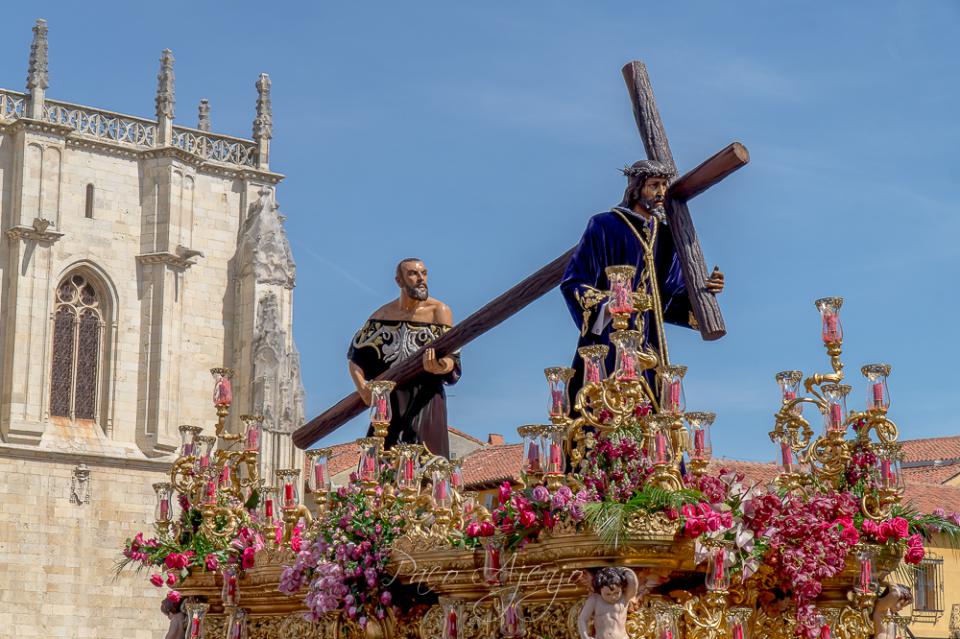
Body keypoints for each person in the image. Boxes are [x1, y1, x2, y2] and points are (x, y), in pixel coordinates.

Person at [560, 160, 724, 406]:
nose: (661, 193)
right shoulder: (604, 225)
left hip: (649, 344)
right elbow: (573, 281)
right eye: (654, 185)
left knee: (654, 411)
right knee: (601, 407)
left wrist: (703, 293)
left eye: (664, 186)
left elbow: (670, 295)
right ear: (636, 189)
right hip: (609, 339)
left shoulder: (667, 235)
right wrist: (612, 303)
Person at [348, 258, 460, 458]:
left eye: (424, 273)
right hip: (389, 401)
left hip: (426, 399)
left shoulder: (439, 311)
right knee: (381, 464)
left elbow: (453, 358)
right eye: (413, 274)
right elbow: (355, 358)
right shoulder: (382, 315)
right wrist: (363, 388)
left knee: (427, 464)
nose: (421, 279)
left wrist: (439, 366)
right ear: (399, 281)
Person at [577, 567, 639, 639]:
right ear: (600, 590)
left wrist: (622, 570)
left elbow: (633, 582)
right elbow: (582, 619)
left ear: (621, 588)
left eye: (616, 593)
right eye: (608, 594)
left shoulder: (624, 598)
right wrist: (585, 637)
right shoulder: (595, 599)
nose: (613, 597)